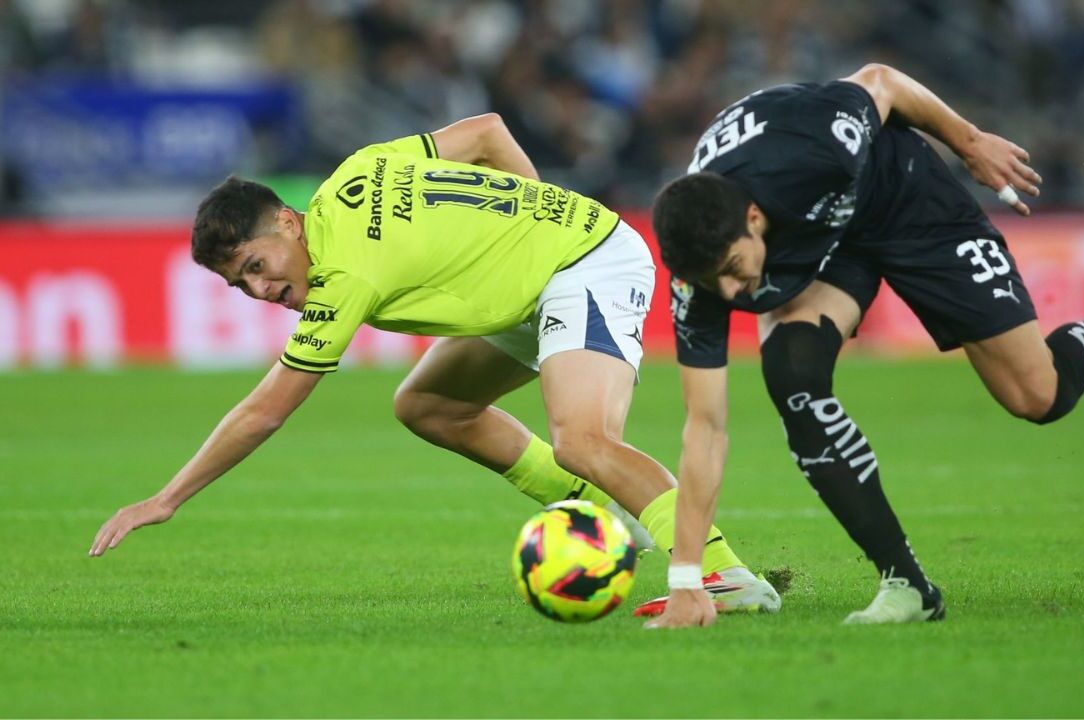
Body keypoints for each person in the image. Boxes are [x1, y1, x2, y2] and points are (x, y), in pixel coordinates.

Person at [88, 113, 781, 618]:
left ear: (289, 225)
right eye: (242, 286)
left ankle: (721, 573)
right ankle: (607, 515)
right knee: (428, 405)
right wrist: (531, 224)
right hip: (539, 274)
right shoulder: (351, 177)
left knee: (583, 440)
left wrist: (167, 499)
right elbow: (486, 132)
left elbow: (265, 410)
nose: (263, 292)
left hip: (588, 260)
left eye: (256, 267)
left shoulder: (342, 279)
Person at [644, 63, 1084, 628]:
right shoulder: (700, 272)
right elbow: (705, 426)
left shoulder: (810, 147)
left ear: (755, 218)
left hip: (907, 202)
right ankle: (907, 583)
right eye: (718, 283)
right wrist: (686, 579)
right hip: (830, 250)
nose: (735, 293)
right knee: (793, 377)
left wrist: (971, 142)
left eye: (736, 269)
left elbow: (880, 81)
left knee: (1038, 395)